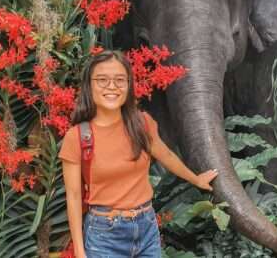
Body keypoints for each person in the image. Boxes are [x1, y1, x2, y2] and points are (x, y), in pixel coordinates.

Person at [59, 50, 218, 258]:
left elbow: (167, 156)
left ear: (128, 85)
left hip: (146, 227)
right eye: (102, 80)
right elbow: (73, 197)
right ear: (89, 86)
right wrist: (80, 252)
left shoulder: (141, 124)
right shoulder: (78, 137)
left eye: (119, 80)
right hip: (104, 234)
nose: (112, 86)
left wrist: (196, 179)